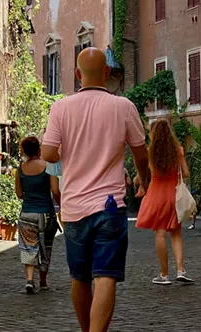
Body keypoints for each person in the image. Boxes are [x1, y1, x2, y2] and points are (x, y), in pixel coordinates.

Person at [41, 47, 149, 332]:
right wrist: (144, 181)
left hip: (74, 208)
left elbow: (48, 153)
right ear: (107, 73)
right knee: (106, 277)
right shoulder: (123, 106)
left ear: (78, 74)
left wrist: (65, 150)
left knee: (79, 277)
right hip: (110, 207)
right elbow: (140, 153)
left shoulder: (60, 108)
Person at [135, 119, 195, 285]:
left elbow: (142, 174)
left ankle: (164, 274)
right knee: (176, 233)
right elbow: (186, 173)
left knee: (160, 233)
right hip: (173, 194)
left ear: (154, 134)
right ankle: (181, 270)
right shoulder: (178, 151)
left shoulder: (149, 152)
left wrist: (140, 184)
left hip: (155, 195)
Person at [14, 136, 61, 294]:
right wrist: (62, 205)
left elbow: (19, 194)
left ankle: (29, 280)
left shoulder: (20, 170)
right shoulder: (49, 167)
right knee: (46, 246)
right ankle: (43, 281)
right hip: (46, 214)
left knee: (28, 247)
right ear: (39, 149)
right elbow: (55, 191)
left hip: (26, 214)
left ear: (25, 151)